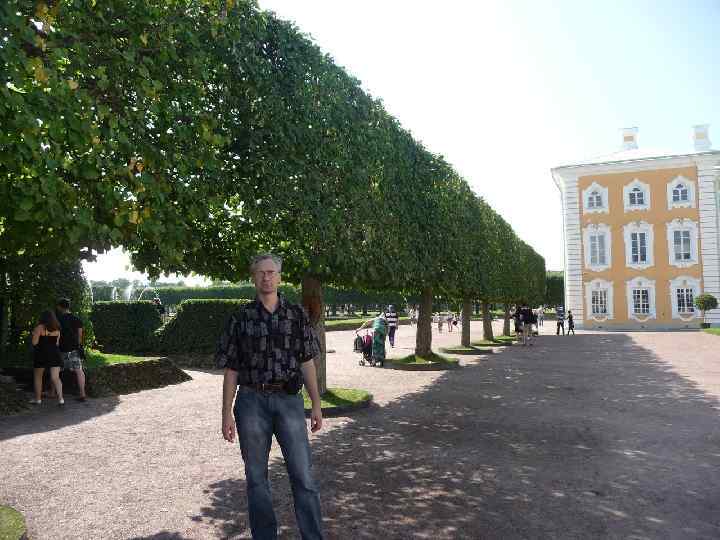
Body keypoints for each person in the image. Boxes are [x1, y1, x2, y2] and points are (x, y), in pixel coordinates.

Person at [216, 253, 324, 540]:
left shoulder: (296, 315)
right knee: (256, 479)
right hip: (251, 402)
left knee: (303, 475)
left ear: (279, 277)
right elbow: (231, 369)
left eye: (271, 272)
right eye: (261, 272)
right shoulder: (240, 317)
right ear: (253, 277)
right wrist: (226, 413)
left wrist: (316, 404)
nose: (266, 277)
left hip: (289, 401)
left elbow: (307, 361)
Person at [56, 298, 87, 402]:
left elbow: (57, 335)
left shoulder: (58, 319)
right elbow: (80, 336)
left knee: (55, 371)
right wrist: (78, 346)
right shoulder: (77, 319)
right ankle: (82, 394)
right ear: (69, 306)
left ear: (60, 307)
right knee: (79, 371)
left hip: (62, 349)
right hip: (74, 349)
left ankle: (52, 392)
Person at [30, 310, 64, 406]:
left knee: (38, 377)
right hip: (54, 354)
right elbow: (57, 343)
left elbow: (34, 343)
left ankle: (38, 399)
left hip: (41, 354)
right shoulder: (57, 328)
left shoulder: (39, 328)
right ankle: (61, 399)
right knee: (56, 377)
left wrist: (34, 334)